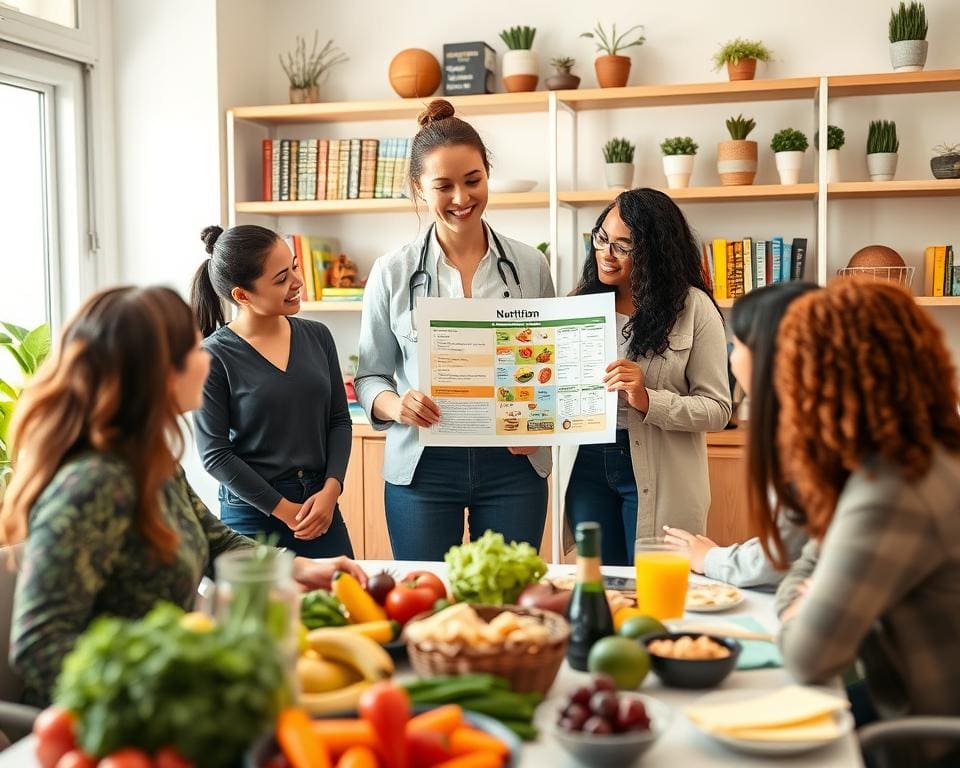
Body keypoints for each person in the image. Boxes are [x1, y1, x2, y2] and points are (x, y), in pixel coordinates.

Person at [0, 286, 366, 706]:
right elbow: (38, 647)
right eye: (194, 350)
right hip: (114, 724)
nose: (206, 358)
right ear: (159, 372)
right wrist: (166, 686)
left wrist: (298, 568)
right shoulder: (92, 487)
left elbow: (215, 540)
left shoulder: (151, 460)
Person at [763, 280, 960, 768]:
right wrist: (805, 595)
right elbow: (812, 560)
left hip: (922, 738)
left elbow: (808, 657)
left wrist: (795, 609)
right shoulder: (928, 454)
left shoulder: (891, 490)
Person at [355, 99, 555, 561]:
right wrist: (397, 405)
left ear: (488, 173)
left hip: (513, 463)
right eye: (444, 186)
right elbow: (370, 377)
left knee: (507, 601)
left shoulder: (530, 265)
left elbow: (548, 365)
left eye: (473, 181)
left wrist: (541, 423)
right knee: (426, 603)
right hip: (423, 466)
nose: (462, 199)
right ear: (418, 188)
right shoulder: (391, 272)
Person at [559, 188, 732, 566]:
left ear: (654, 251)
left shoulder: (693, 308)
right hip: (586, 463)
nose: (606, 253)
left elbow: (718, 409)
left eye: (624, 246)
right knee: (601, 585)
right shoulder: (577, 305)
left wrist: (648, 399)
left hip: (658, 466)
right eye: (602, 238)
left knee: (654, 583)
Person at [191, 224, 354, 558]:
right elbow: (215, 454)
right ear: (242, 295)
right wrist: (284, 509)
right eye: (281, 278)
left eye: (294, 267)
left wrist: (331, 490)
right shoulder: (213, 356)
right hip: (253, 515)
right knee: (261, 612)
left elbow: (339, 419)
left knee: (346, 606)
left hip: (320, 508)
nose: (297, 282)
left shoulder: (318, 336)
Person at [662, 282, 816, 588]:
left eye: (740, 341)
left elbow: (778, 554)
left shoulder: (806, 440)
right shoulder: (807, 421)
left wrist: (710, 558)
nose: (732, 348)